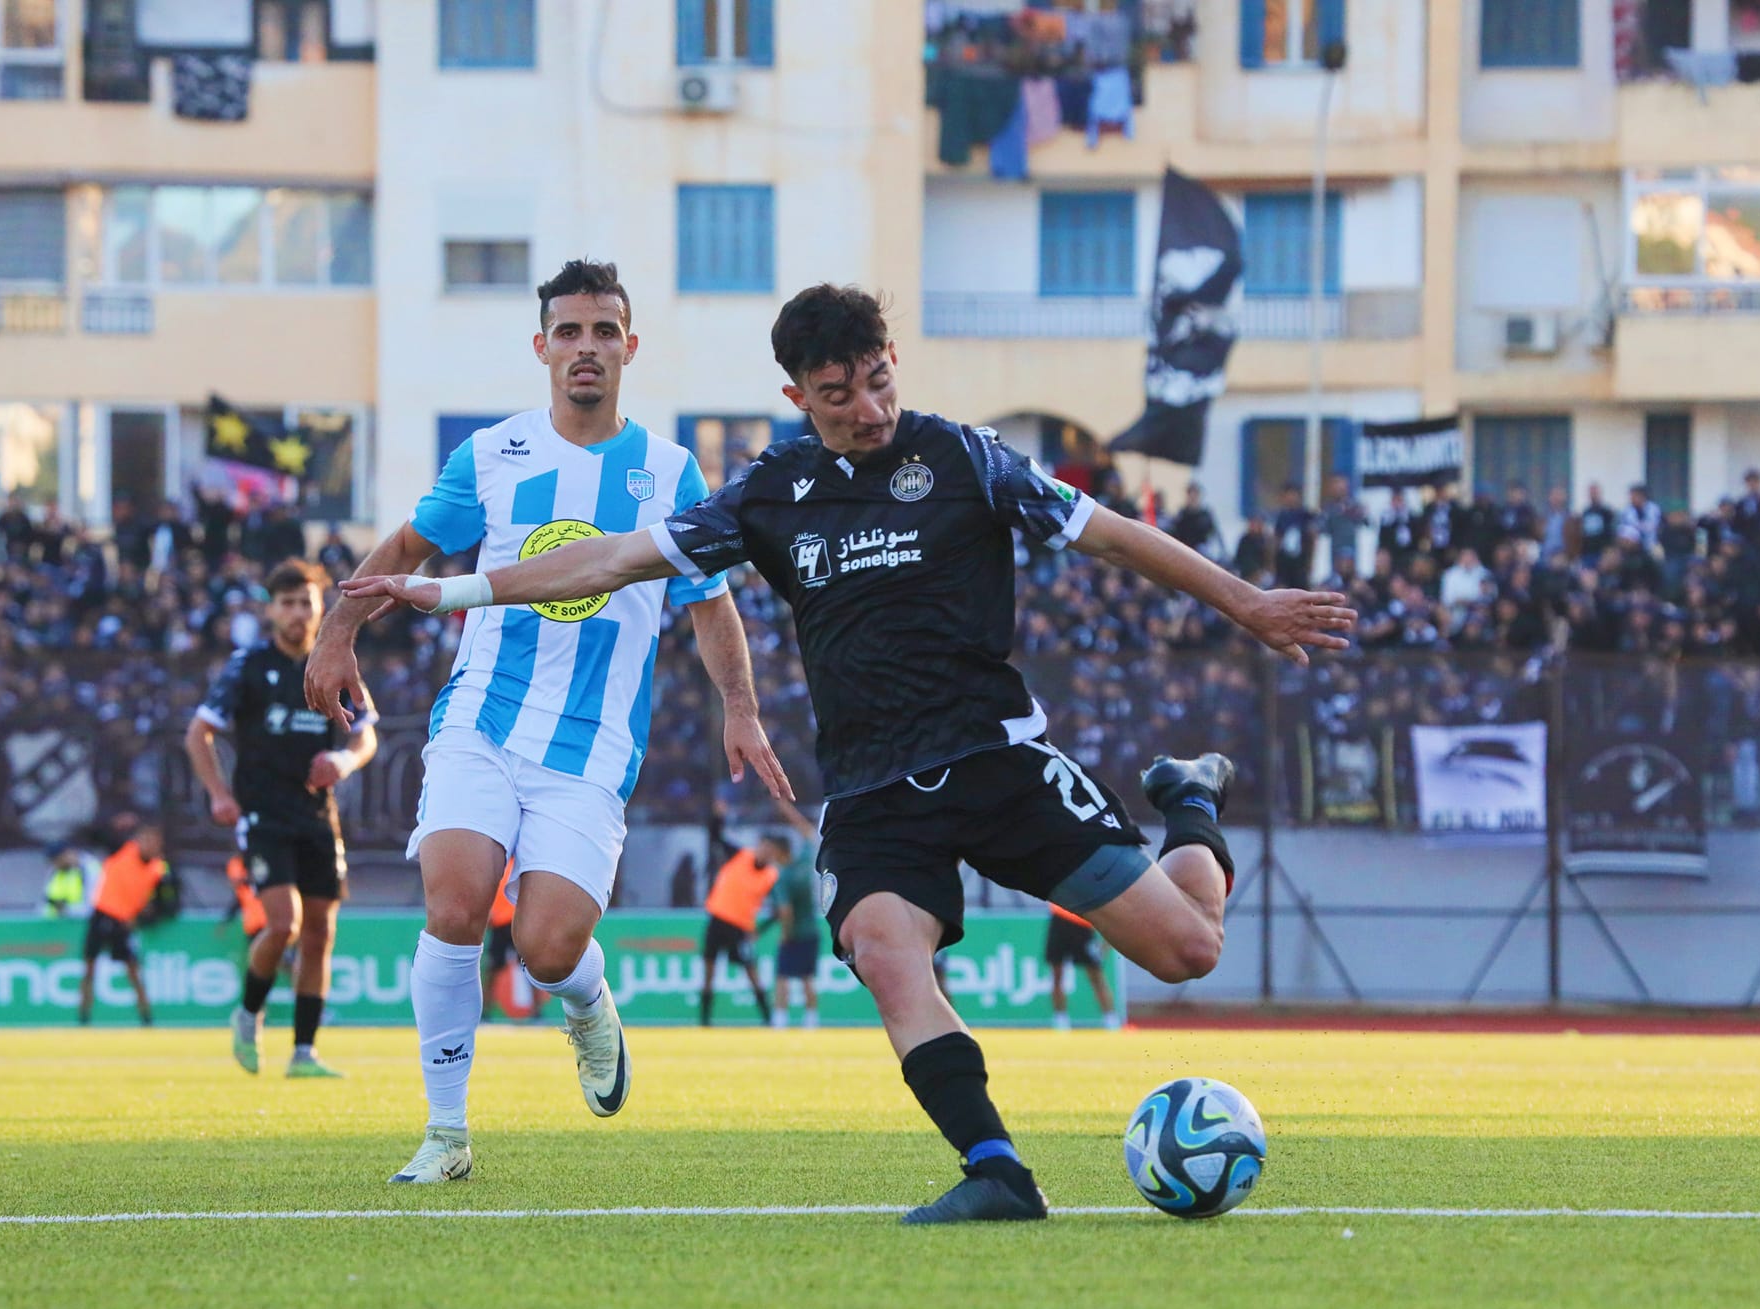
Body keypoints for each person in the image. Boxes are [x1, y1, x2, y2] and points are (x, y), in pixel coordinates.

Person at [340, 283, 1353, 1222]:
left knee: (1186, 950)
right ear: (797, 394)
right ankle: (994, 1168)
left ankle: (1188, 805)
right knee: (880, 950)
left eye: (878, 380)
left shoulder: (965, 457)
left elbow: (1111, 535)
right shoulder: (770, 491)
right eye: (838, 392)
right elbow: (614, 556)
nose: (866, 407)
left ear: (891, 362)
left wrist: (1247, 600)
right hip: (872, 787)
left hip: (997, 757)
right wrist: (457, 589)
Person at [303, 259, 790, 1184]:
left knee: (547, 945)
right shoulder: (492, 454)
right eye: (568, 332)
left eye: (604, 331)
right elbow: (409, 547)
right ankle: (446, 1135)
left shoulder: (671, 472)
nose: (586, 349)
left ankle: (588, 1003)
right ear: (542, 348)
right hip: (481, 717)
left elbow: (712, 601)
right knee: (453, 903)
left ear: (629, 348)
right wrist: (337, 632)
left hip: (592, 743)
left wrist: (741, 707)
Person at [187, 558, 378, 1080]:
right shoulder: (248, 667)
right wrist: (219, 795)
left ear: (321, 609)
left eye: (306, 603)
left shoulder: (334, 662)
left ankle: (304, 1053)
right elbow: (197, 734)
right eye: (287, 603)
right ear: (271, 610)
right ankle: (249, 1014)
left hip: (318, 816)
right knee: (284, 923)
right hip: (264, 815)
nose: (297, 613)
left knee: (320, 932)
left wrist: (343, 760)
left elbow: (365, 734)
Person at [77, 823, 172, 1027]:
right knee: (89, 969)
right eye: (145, 839)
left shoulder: (159, 868)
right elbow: (94, 833)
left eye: (153, 841)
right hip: (102, 914)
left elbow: (165, 904)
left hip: (124, 923)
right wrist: (115, 823)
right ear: (137, 840)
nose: (149, 844)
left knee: (134, 972)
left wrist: (142, 919)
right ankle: (83, 1018)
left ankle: (146, 1019)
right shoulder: (123, 849)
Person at [700, 831, 791, 1027]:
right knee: (709, 971)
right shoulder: (740, 855)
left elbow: (778, 910)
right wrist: (717, 817)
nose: (765, 852)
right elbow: (716, 838)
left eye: (770, 850)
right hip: (717, 920)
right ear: (758, 846)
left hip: (740, 928)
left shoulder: (771, 877)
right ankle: (704, 1022)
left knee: (752, 973)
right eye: (763, 847)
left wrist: (759, 931)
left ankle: (768, 1020)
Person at [769, 798, 824, 1029]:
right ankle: (811, 1020)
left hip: (793, 933)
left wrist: (785, 934)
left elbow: (785, 911)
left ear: (779, 851)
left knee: (782, 978)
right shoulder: (804, 861)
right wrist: (786, 809)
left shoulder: (782, 877)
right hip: (811, 930)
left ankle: (780, 1020)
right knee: (807, 978)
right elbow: (807, 831)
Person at [1044, 903, 1120, 1031]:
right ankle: (1060, 1020)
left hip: (1082, 924)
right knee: (1057, 974)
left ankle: (1111, 1019)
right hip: (1059, 919)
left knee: (1095, 976)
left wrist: (1105, 945)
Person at [478, 858, 525, 1023]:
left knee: (531, 968)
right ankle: (485, 1011)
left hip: (519, 920)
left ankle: (537, 1012)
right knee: (492, 968)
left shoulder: (522, 863)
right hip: (500, 923)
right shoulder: (496, 865)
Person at [223, 852, 267, 943]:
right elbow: (237, 904)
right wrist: (225, 922)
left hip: (267, 925)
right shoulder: (242, 891)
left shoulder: (262, 887)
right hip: (252, 927)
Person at [42, 842, 92, 918]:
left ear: (67, 854)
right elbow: (45, 903)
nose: (55, 864)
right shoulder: (54, 872)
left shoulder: (89, 869)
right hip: (55, 926)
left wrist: (66, 909)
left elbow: (92, 907)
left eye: (57, 860)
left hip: (80, 925)